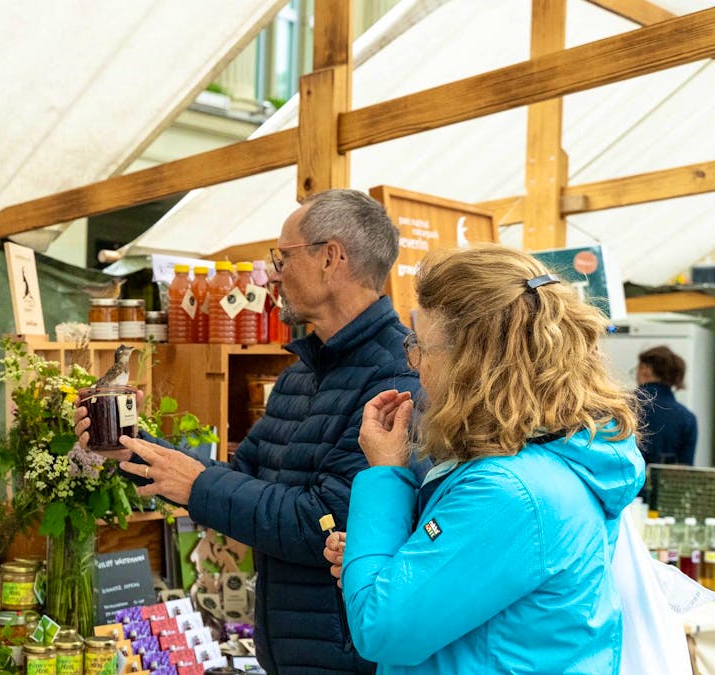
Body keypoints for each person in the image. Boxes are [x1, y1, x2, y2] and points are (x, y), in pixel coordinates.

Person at [77, 189, 420, 673]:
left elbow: (322, 522)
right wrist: (126, 445)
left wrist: (195, 484)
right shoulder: (301, 373)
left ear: (331, 258)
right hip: (286, 649)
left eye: (283, 256)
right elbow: (240, 475)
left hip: (349, 656)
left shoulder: (397, 378)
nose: (274, 274)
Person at [327, 245, 644, 673]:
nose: (416, 364)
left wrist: (385, 473)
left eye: (422, 345)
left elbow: (380, 629)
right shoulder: (543, 462)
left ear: (471, 363)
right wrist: (385, 559)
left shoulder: (510, 492)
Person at [636, 345, 698, 465]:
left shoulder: (622, 406)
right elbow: (685, 471)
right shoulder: (687, 418)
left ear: (645, 369)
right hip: (663, 483)